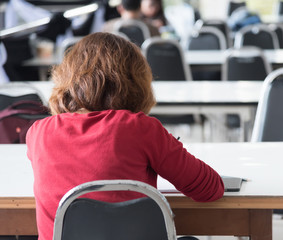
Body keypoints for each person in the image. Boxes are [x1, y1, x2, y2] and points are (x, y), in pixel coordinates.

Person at [26, 32, 224, 240]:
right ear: (135, 81)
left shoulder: (38, 133)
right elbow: (209, 189)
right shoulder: (141, 129)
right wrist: (169, 146)